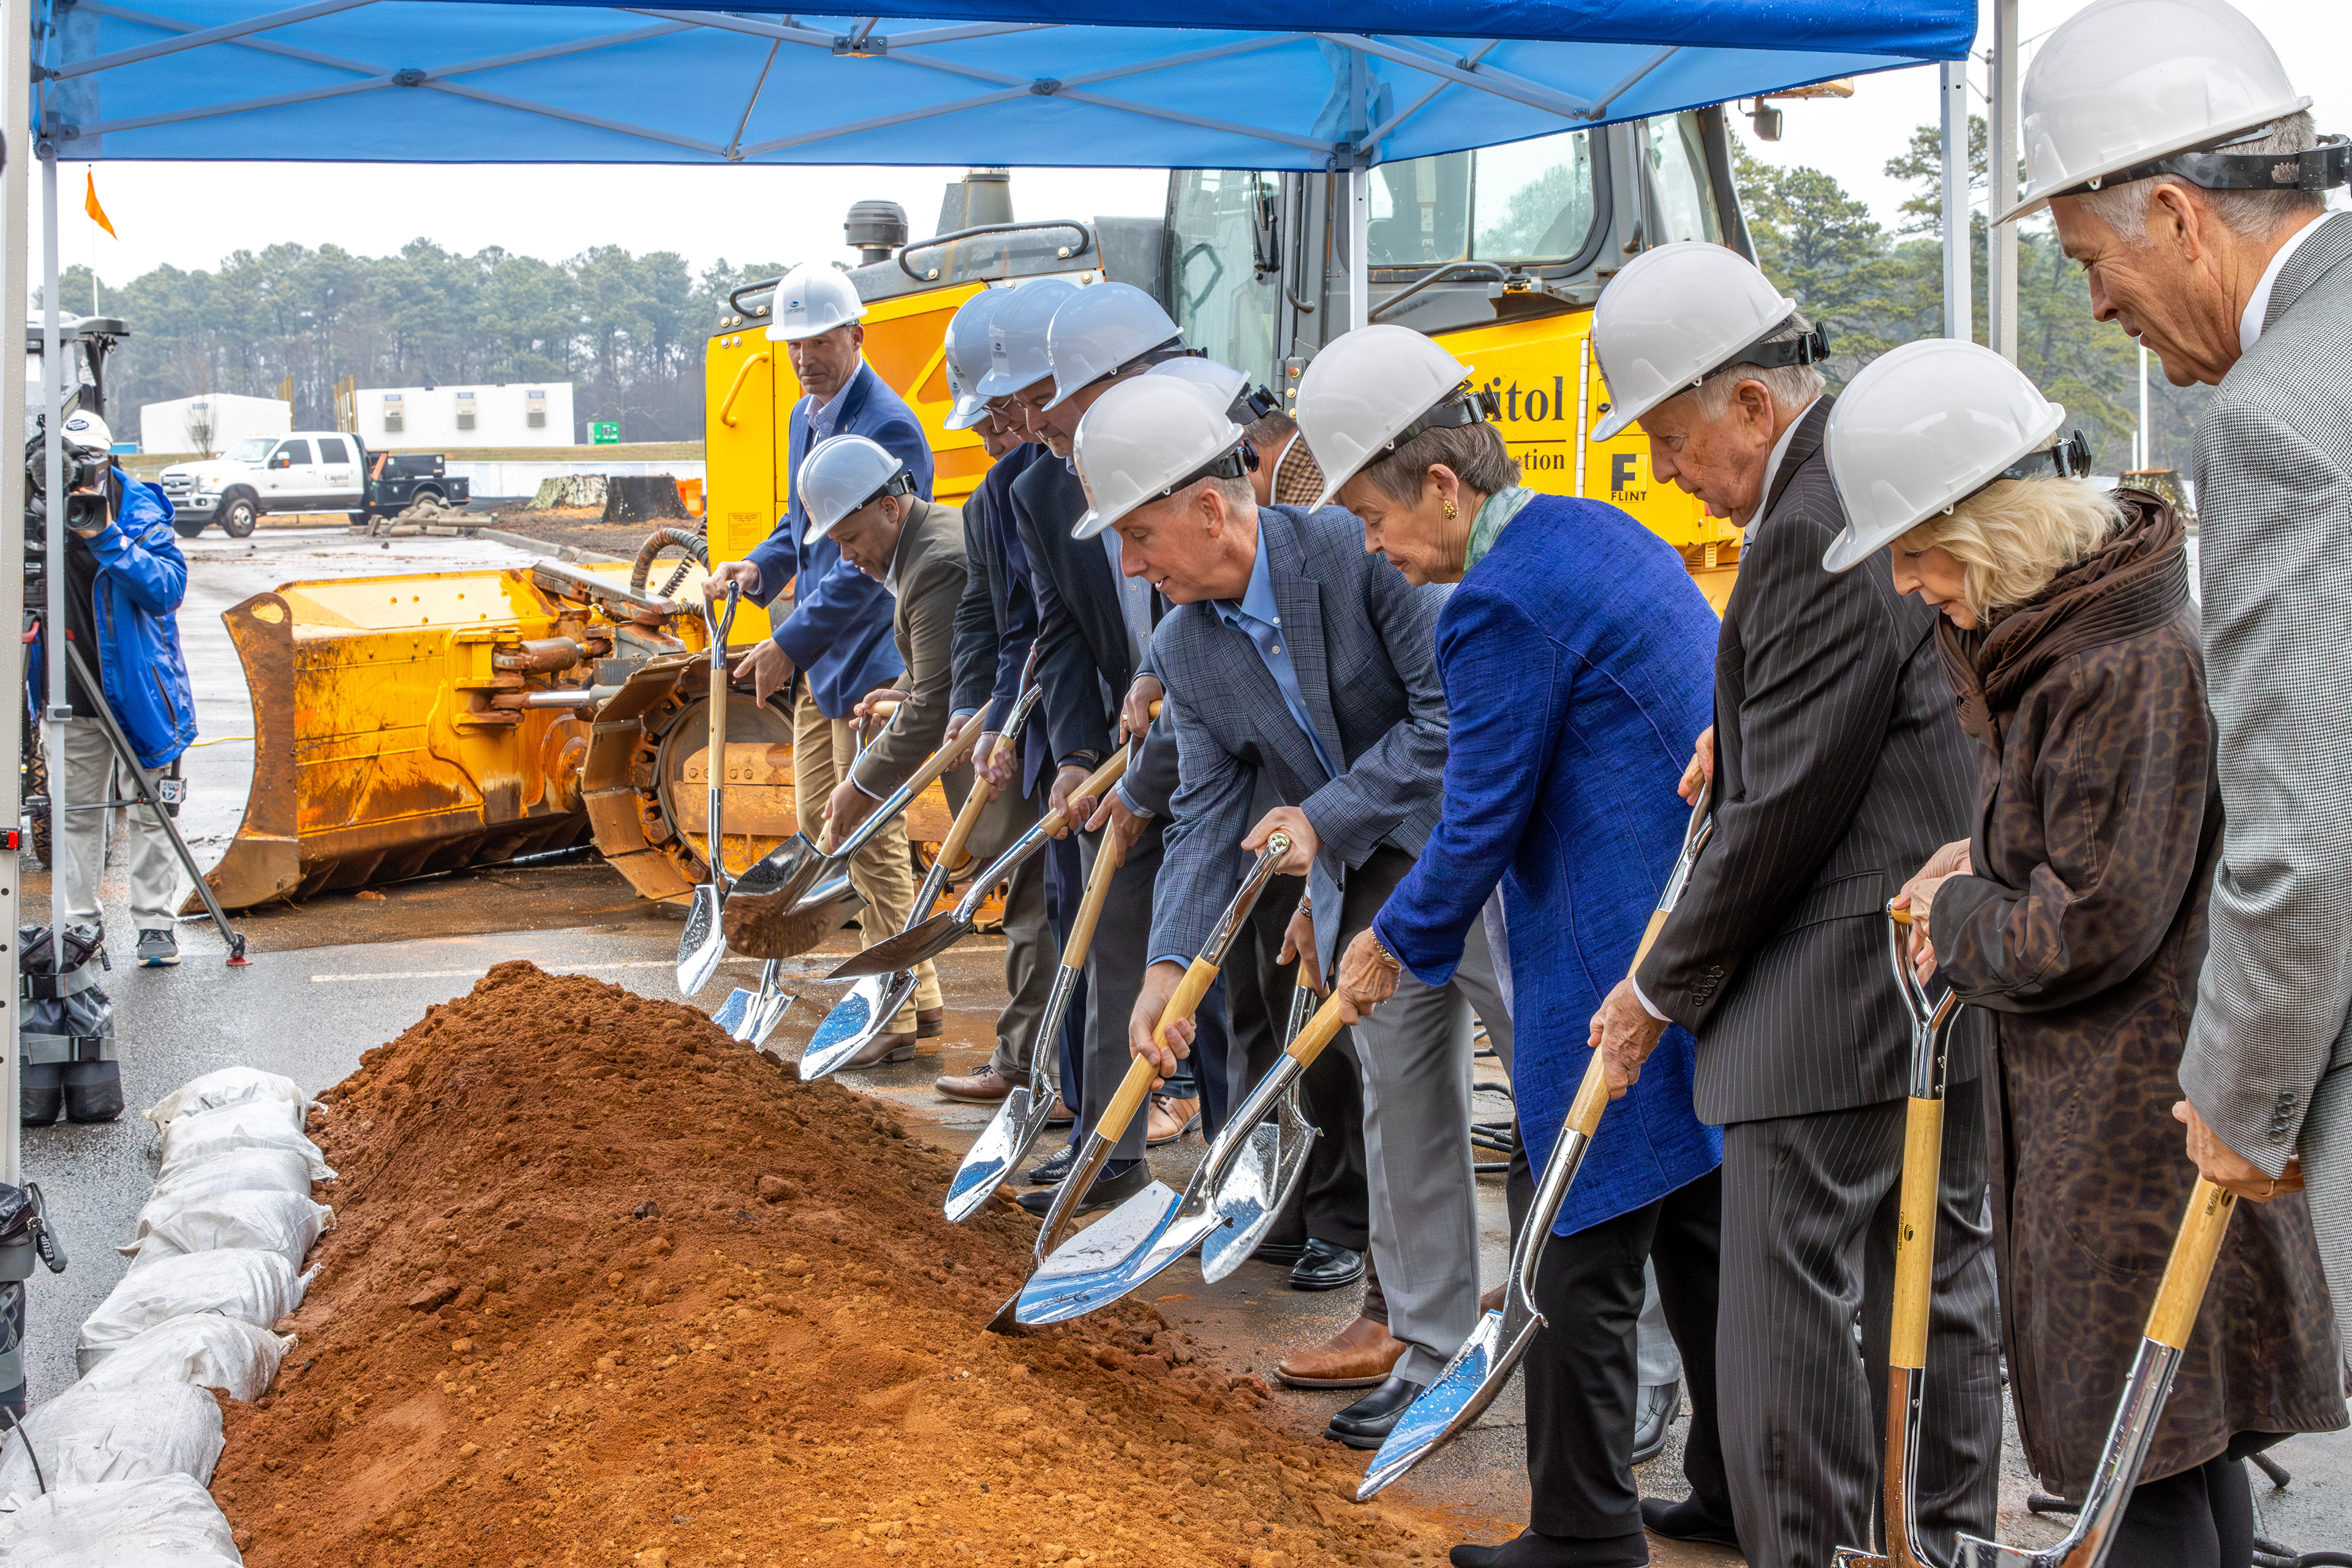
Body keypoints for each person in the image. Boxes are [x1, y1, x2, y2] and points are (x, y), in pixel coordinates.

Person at [1823, 337, 2346, 1568]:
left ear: (1991, 524)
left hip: (2127, 1132)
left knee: (2143, 1471)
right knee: (2167, 1452)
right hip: (2124, 1116)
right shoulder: (2080, 638)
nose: (1905, 583)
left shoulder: (2110, 662)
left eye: (1916, 549)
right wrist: (1980, 857)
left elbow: (2090, 919)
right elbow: (2090, 847)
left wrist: (1960, 917)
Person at [1581, 243, 2001, 1566]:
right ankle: (1930, 1539)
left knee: (1785, 1319)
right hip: (1929, 951)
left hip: (1837, 981)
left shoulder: (1816, 514)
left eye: (1667, 435)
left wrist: (1656, 985)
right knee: (1937, 1285)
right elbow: (1828, 726)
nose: (1657, 468)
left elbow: (1788, 812)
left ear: (1751, 404)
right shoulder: (1847, 483)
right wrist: (1742, 731)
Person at [1304, 325, 1728, 1568]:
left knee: (1570, 1224)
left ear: (1443, 483)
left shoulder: (1494, 603)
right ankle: (1735, 1480)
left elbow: (1480, 813)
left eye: (1377, 519)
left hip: (1612, 922)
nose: (1376, 549)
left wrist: (1393, 939)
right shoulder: (1586, 528)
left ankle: (1586, 1529)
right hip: (1690, 913)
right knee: (1695, 1212)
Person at [1084, 372, 1503, 1453]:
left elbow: (1445, 720)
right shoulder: (1187, 648)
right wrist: (1169, 968)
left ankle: (1627, 1370)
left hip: (1491, 849)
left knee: (1557, 1092)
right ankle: (1430, 1347)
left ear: (1210, 510)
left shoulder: (1350, 555)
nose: (1132, 567)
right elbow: (1200, 815)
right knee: (1401, 1106)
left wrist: (1322, 818)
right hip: (1373, 882)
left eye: (1139, 538)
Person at [2013, 0, 2352, 1332]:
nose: (2098, 303)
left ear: (2178, 211)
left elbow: (2306, 825)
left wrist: (2237, 1094)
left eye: (2094, 257)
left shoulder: (2277, 420)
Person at [987, 281, 1218, 1214]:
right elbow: (1063, 631)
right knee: (1105, 930)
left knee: (1222, 975)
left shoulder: (1207, 447)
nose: (1034, 424)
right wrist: (1077, 758)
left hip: (1212, 740)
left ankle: (1235, 1178)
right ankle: (1104, 1145)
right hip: (1124, 739)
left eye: (1048, 402)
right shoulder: (1038, 490)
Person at [704, 260, 939, 1051]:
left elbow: (866, 574)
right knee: (820, 820)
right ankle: (925, 978)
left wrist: (787, 639)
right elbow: (803, 524)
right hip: (823, 660)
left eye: (818, 340)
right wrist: (760, 568)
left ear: (855, 336)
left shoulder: (890, 425)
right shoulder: (810, 413)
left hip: (871, 653)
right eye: (793, 343)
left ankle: (897, 1007)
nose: (804, 355)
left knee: (867, 829)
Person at [786, 434, 967, 1066]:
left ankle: (920, 1012)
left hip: (1002, 755)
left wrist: (861, 781)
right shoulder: (920, 545)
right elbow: (939, 667)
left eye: (850, 538)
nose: (847, 556)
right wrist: (900, 689)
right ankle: (913, 999)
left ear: (891, 506)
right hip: (891, 692)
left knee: (873, 838)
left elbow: (938, 701)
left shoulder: (935, 560)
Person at [932, 286, 1063, 1106]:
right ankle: (1031, 1064)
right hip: (1028, 718)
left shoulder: (1073, 481)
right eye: (982, 426)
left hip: (1079, 717)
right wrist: (973, 703)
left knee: (1067, 906)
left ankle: (1050, 1067)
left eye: (999, 422)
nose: (991, 441)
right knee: (1033, 893)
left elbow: (1064, 625)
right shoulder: (995, 498)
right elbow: (987, 612)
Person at [40, 409, 196, 971]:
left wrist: (107, 536)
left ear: (110, 460)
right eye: (67, 463)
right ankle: (80, 927)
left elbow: (166, 589)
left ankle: (155, 925)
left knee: (154, 810)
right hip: (70, 689)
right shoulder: (36, 512)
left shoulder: (139, 508)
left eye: (90, 463)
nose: (80, 476)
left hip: (141, 690)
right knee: (77, 812)